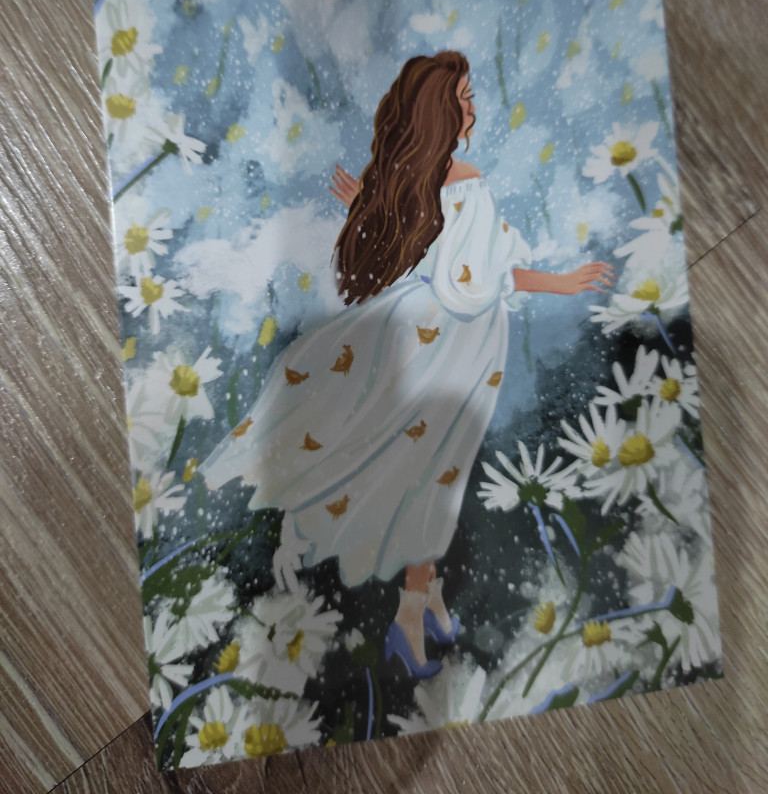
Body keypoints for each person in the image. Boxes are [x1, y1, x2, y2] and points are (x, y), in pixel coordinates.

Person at [202, 51, 613, 679]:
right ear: (441, 111)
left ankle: (429, 603)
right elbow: (475, 282)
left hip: (428, 336)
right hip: (451, 345)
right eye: (464, 99)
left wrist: (369, 201)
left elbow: (432, 247)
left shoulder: (415, 178)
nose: (474, 108)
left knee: (431, 472)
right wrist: (560, 283)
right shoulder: (464, 181)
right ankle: (409, 620)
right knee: (432, 477)